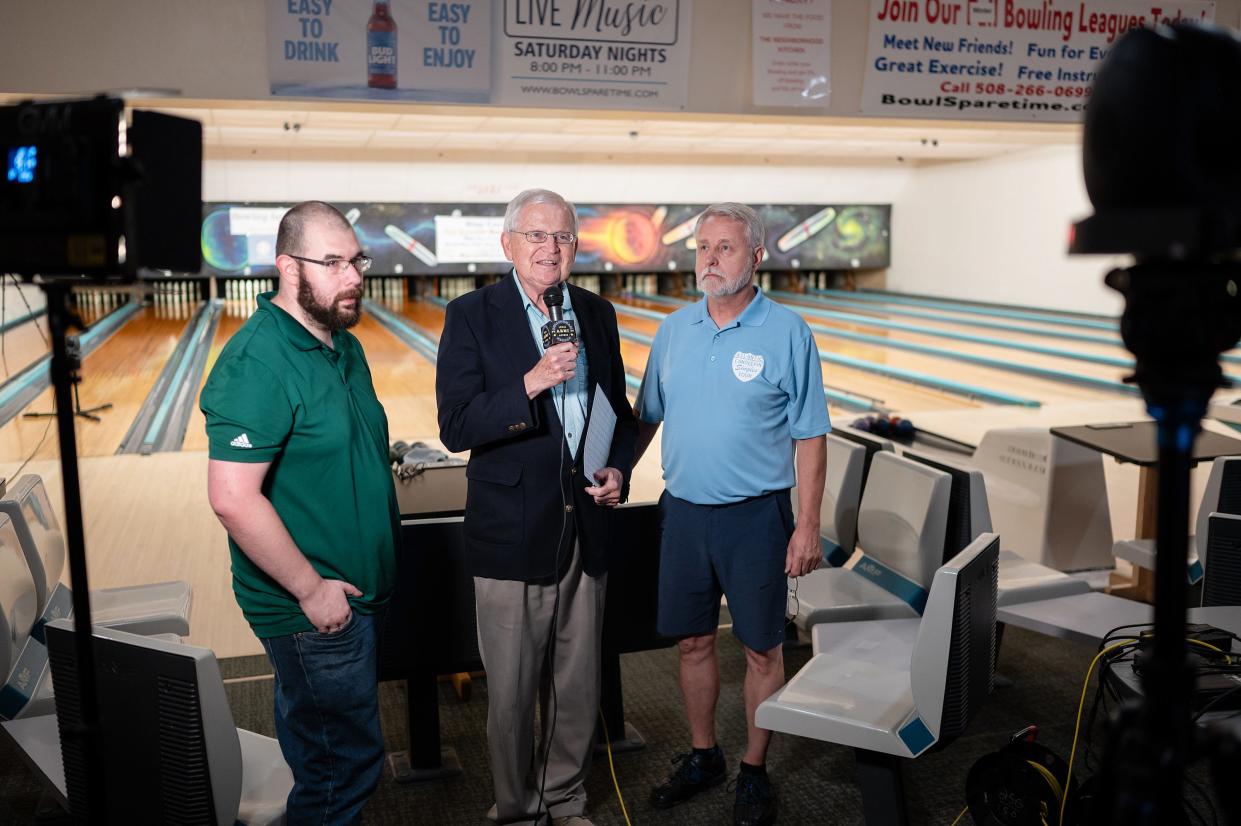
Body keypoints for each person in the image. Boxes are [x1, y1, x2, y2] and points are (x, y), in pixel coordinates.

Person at [436, 188, 637, 826]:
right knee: (514, 693)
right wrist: (531, 382)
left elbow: (621, 418)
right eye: (537, 236)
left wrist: (618, 470)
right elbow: (456, 424)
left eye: (565, 238)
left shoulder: (597, 313)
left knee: (577, 688)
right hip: (513, 531)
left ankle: (567, 798)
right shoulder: (471, 315)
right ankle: (517, 809)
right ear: (508, 245)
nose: (552, 249)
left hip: (587, 525)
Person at [201, 200, 398, 825]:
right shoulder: (256, 364)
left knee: (334, 756)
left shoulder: (344, 346)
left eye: (357, 260)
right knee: (340, 771)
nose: (354, 276)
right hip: (314, 611)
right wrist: (313, 592)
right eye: (334, 262)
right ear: (289, 268)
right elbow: (232, 497)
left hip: (355, 593)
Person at [634, 202, 830, 826]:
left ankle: (753, 767)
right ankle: (703, 756)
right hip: (686, 514)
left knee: (760, 649)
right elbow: (648, 414)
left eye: (725, 246)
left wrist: (806, 524)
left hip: (756, 518)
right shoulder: (672, 330)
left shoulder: (789, 332)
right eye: (702, 247)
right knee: (692, 642)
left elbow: (812, 436)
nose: (710, 259)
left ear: (756, 257)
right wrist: (612, 468)